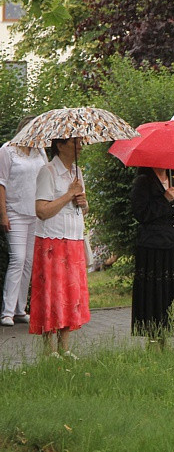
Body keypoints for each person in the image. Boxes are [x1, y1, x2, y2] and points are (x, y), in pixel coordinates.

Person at [29, 138, 90, 358]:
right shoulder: (48, 171)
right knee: (52, 293)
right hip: (52, 241)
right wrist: (68, 195)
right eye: (75, 142)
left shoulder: (77, 172)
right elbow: (42, 210)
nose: (81, 146)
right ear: (60, 145)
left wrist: (83, 202)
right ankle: (49, 350)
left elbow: (81, 208)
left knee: (70, 294)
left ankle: (65, 348)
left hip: (73, 239)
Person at [130, 167, 174, 347]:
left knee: (172, 293)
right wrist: (164, 200)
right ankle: (153, 340)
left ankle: (166, 336)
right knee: (154, 293)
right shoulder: (142, 183)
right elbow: (141, 214)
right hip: (153, 247)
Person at [0, 116, 47, 327]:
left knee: (29, 261)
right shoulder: (7, 150)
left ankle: (20, 309)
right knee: (17, 259)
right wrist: (3, 214)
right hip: (15, 211)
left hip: (35, 213)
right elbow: (1, 183)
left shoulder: (40, 151)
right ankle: (6, 312)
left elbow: (47, 177)